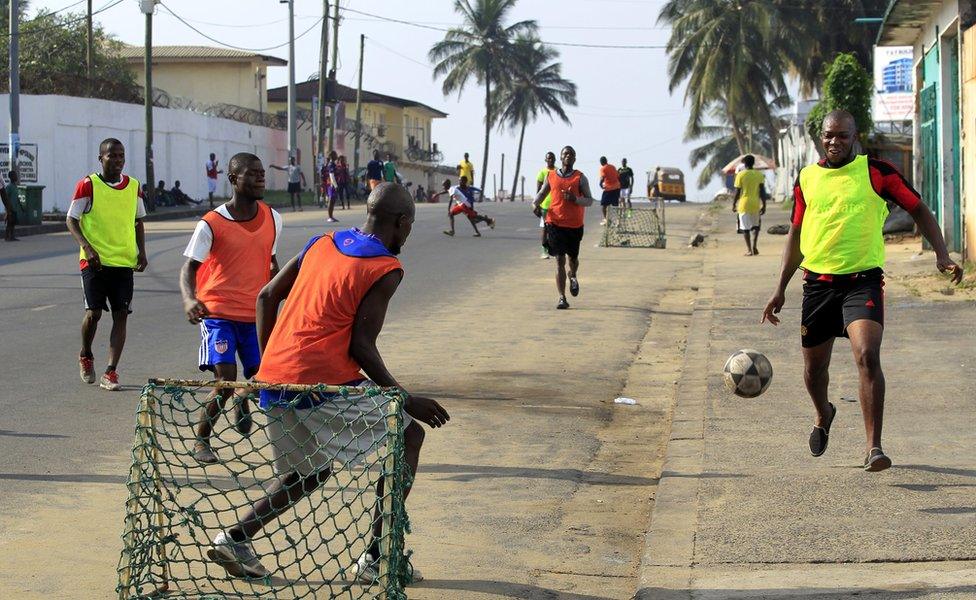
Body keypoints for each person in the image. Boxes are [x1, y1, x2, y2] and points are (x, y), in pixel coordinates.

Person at [205, 183, 450, 583]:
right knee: (409, 436)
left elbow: (266, 296)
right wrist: (404, 399)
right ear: (402, 222)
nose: (407, 234)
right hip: (318, 379)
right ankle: (375, 557)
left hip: (275, 378)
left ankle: (234, 538)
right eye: (409, 226)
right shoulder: (385, 267)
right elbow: (362, 346)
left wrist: (268, 366)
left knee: (308, 473)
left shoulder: (322, 241)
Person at [762, 110, 963, 472]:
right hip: (818, 285)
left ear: (856, 136)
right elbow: (795, 234)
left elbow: (918, 209)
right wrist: (780, 289)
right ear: (821, 138)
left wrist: (942, 254)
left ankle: (874, 448)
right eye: (828, 136)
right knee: (813, 371)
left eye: (842, 135)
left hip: (863, 281)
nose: (834, 142)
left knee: (868, 355)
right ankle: (824, 413)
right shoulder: (807, 178)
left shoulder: (877, 172)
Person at [180, 153, 282, 464]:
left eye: (262, 173)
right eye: (252, 174)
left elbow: (272, 263)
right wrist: (189, 298)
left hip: (255, 315)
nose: (260, 178)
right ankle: (202, 440)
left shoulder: (273, 217)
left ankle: (244, 395)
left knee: (263, 375)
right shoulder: (211, 223)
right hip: (218, 312)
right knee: (225, 378)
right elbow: (188, 269)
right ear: (234, 179)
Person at [66, 138, 148, 391]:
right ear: (100, 158)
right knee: (94, 313)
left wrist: (142, 252)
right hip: (94, 261)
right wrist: (87, 248)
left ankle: (111, 371)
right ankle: (86, 353)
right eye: (112, 155)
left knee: (121, 315)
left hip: (123, 262)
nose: (117, 160)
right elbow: (71, 219)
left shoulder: (133, 186)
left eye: (121, 155)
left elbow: (138, 221)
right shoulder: (88, 185)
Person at [532, 146, 595, 310]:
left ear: (574, 159)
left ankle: (573, 274)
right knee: (559, 259)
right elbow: (542, 193)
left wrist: (575, 199)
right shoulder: (551, 176)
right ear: (560, 157)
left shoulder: (580, 178)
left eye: (571, 154)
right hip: (555, 223)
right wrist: (534, 204)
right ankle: (562, 297)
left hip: (574, 225)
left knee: (572, 260)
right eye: (565, 153)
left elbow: (589, 200)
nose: (567, 156)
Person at [732, 154, 768, 256]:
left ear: (744, 163)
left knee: (745, 228)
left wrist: (734, 204)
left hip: (743, 204)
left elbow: (738, 191)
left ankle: (749, 250)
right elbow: (762, 192)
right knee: (756, 226)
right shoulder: (759, 175)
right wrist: (764, 205)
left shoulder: (740, 175)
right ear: (753, 163)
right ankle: (755, 246)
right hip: (755, 204)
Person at [535, 151, 556, 259]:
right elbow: (538, 191)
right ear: (546, 160)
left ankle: (554, 249)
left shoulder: (558, 172)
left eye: (552, 158)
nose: (551, 160)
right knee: (545, 228)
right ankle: (544, 250)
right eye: (549, 158)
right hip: (545, 206)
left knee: (556, 228)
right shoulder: (542, 173)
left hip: (557, 205)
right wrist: (536, 205)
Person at [598, 156, 621, 226]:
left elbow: (602, 178)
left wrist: (600, 184)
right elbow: (618, 176)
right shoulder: (613, 167)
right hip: (617, 187)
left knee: (604, 205)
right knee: (615, 205)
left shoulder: (603, 168)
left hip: (609, 188)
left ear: (601, 162)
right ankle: (618, 220)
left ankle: (606, 219)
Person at [323, 151, 340, 223]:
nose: (337, 156)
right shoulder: (331, 164)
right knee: (331, 200)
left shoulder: (333, 164)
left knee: (333, 201)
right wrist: (335, 185)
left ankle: (331, 216)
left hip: (333, 184)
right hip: (331, 184)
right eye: (335, 154)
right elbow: (331, 175)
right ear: (332, 156)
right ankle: (329, 217)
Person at [3, 170, 19, 242]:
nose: (16, 177)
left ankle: (12, 236)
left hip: (15, 208)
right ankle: (7, 237)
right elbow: (5, 196)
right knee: (9, 222)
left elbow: (16, 196)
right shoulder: (9, 187)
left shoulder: (15, 186)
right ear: (11, 177)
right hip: (10, 208)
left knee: (13, 222)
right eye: (15, 176)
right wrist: (7, 208)